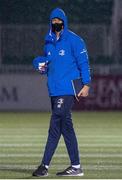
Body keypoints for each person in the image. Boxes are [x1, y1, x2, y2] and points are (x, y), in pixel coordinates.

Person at [32, 8, 91, 177]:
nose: (56, 23)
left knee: (55, 125)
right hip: (54, 90)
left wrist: (86, 84)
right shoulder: (48, 41)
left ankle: (44, 166)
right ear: (50, 22)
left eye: (59, 20)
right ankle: (76, 166)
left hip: (68, 89)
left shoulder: (75, 40)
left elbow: (84, 63)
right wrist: (39, 65)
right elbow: (48, 64)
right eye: (53, 20)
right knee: (66, 128)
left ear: (64, 21)